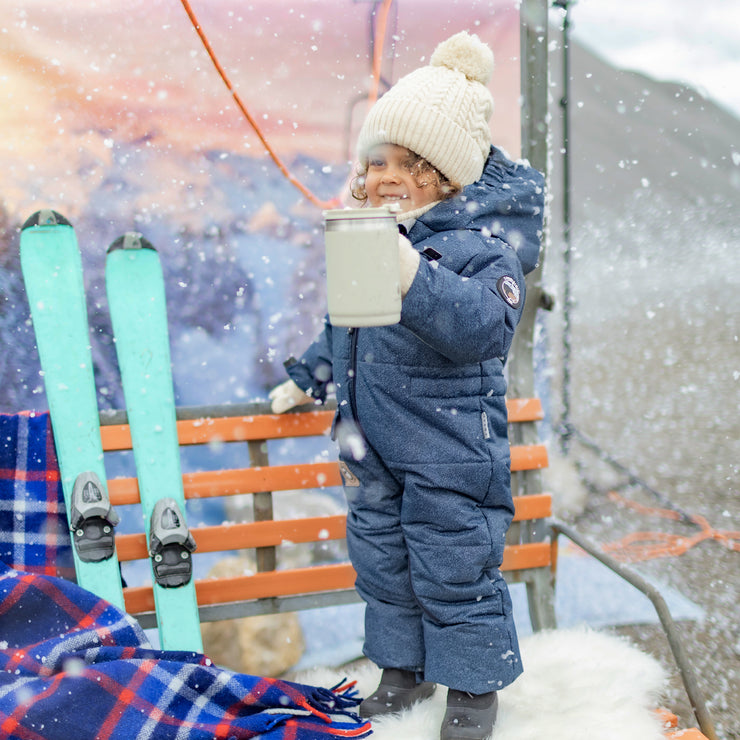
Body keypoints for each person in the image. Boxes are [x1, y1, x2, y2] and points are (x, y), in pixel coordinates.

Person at [269, 31, 544, 740]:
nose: (386, 175)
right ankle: (401, 668)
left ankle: (474, 688)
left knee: (455, 563)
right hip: (372, 445)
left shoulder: (482, 252)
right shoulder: (368, 236)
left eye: (409, 164)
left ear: (446, 177)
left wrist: (412, 275)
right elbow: (347, 326)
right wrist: (310, 373)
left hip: (451, 446)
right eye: (377, 161)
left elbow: (482, 329)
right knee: (384, 561)